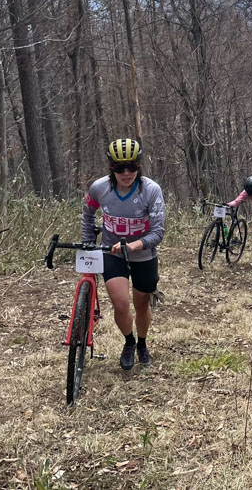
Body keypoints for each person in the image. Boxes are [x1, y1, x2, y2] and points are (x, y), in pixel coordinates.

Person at [81, 138, 166, 371]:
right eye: (120, 168)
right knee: (120, 304)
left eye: (132, 168)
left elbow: (158, 231)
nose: (126, 173)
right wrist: (89, 244)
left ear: (138, 167)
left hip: (143, 254)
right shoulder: (99, 188)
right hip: (112, 252)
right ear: (112, 169)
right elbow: (87, 215)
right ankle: (128, 341)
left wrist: (135, 245)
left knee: (141, 305)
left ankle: (142, 343)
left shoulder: (151, 190)